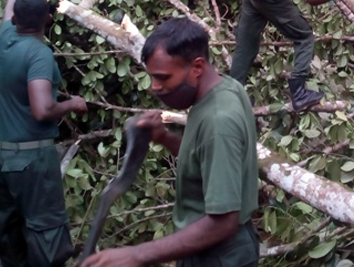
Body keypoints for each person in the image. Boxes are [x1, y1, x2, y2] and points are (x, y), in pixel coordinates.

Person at [81, 18, 259, 267]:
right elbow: (205, 159)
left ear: (197, 67)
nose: (155, 87)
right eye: (152, 77)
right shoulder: (226, 88)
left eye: (163, 78)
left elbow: (223, 221)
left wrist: (135, 255)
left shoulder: (219, 121)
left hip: (219, 254)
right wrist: (164, 138)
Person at [0, 0, 87, 267]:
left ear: (17, 20)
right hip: (33, 159)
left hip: (3, 154)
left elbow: (7, 11)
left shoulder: (7, 38)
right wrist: (73, 103)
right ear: (48, 20)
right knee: (46, 234)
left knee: (10, 232)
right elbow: (43, 109)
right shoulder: (38, 54)